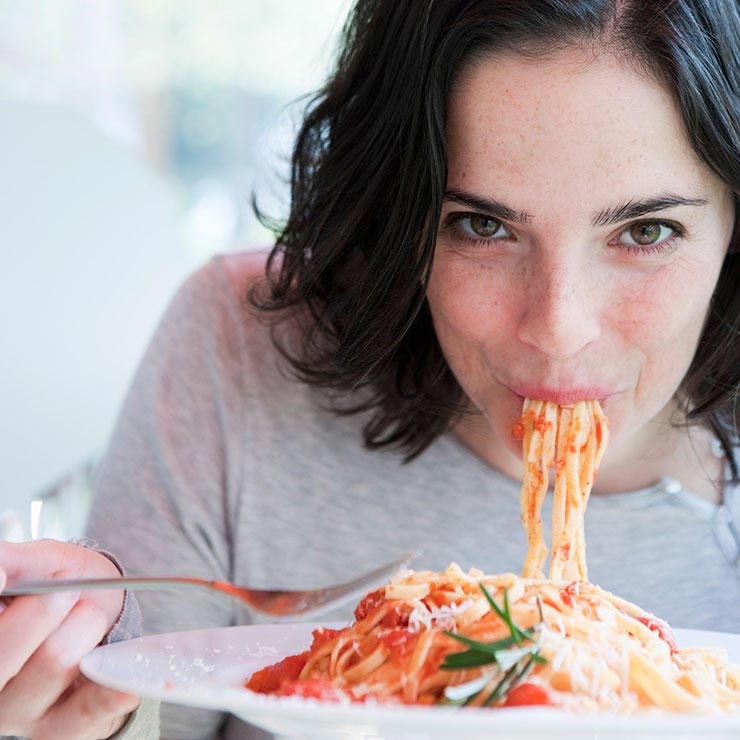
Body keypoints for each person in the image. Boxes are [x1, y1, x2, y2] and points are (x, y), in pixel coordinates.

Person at [2, 0, 739, 738]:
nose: (558, 332)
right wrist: (59, 687)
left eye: (648, 231)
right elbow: (136, 711)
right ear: (400, 217)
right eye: (482, 226)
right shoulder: (240, 351)